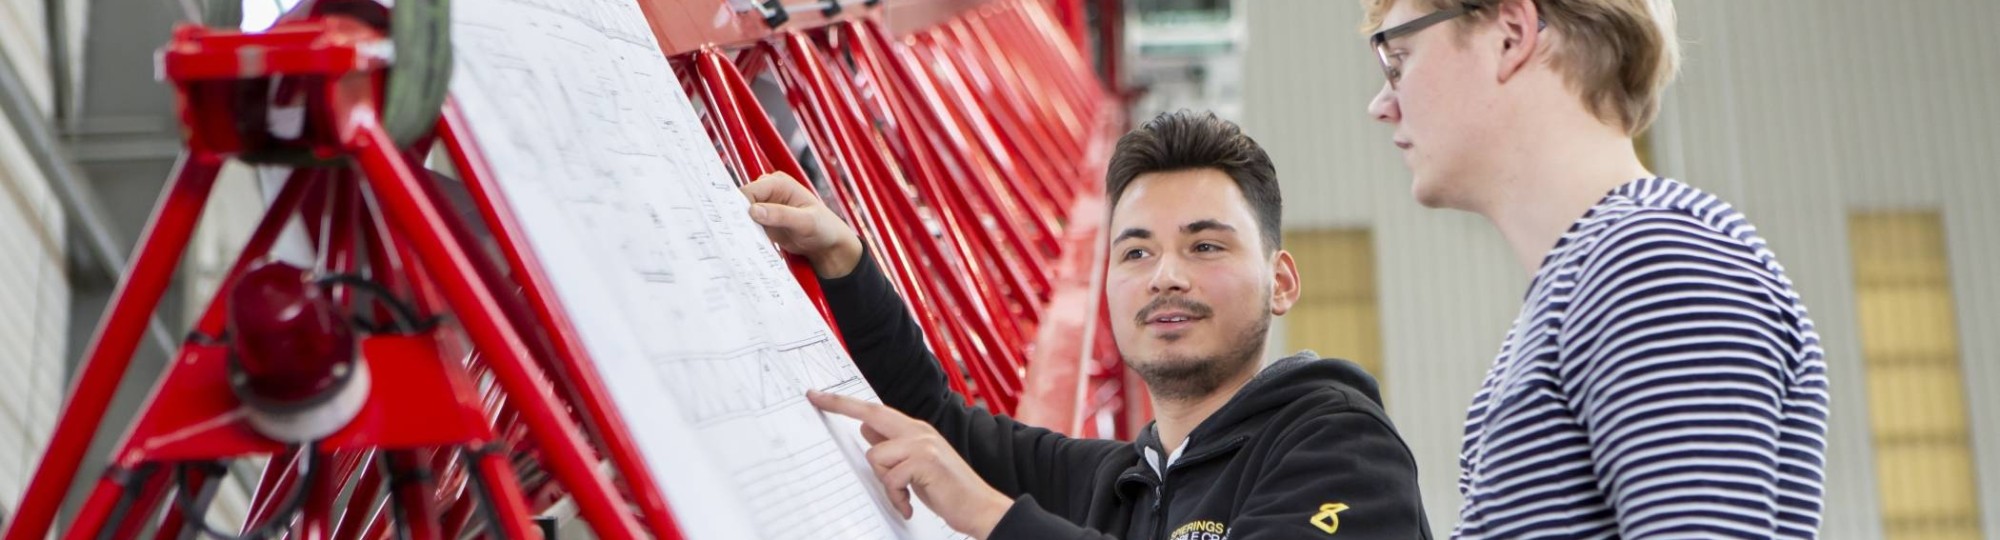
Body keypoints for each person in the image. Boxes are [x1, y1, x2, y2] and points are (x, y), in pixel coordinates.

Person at [741, 110, 1431, 539]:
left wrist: (989, 514)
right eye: (1136, 251)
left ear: (1281, 283)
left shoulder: (1343, 448)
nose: (1165, 274)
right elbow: (934, 424)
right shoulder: (1120, 485)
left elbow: (972, 490)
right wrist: (845, 261)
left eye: (1206, 245)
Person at [1358, 0, 1829, 537]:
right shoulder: (1583, 291)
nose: (1382, 104)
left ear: (1511, 34)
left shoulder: (1655, 264)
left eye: (1398, 58)